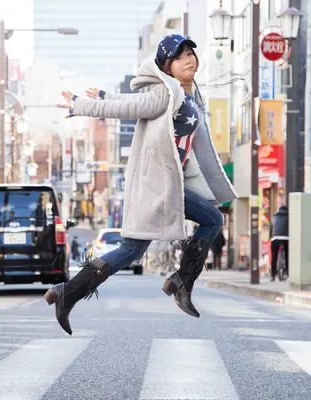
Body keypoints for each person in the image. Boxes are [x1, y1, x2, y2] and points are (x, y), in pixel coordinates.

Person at [44, 33, 238, 335]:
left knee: (136, 249)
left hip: (169, 183)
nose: (188, 60)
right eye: (178, 57)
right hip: (158, 184)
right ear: (166, 67)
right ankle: (179, 282)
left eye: (190, 53)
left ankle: (69, 293)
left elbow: (133, 102)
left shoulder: (187, 95)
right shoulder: (167, 93)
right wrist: (84, 105)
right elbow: (133, 107)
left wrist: (107, 95)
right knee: (198, 224)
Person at [269, 206, 288, 281]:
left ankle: (273, 275)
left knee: (274, 256)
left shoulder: (274, 216)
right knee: (287, 254)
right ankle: (286, 271)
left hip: (275, 238)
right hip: (285, 238)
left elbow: (271, 228)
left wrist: (270, 238)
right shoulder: (288, 216)